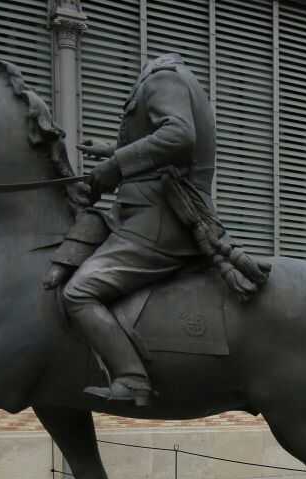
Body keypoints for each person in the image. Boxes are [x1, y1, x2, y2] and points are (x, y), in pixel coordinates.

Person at [62, 54, 219, 407]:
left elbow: (179, 135)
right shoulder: (177, 79)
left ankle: (132, 379)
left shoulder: (163, 79)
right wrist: (112, 150)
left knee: (79, 293)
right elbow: (161, 142)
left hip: (164, 217)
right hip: (148, 212)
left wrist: (114, 167)